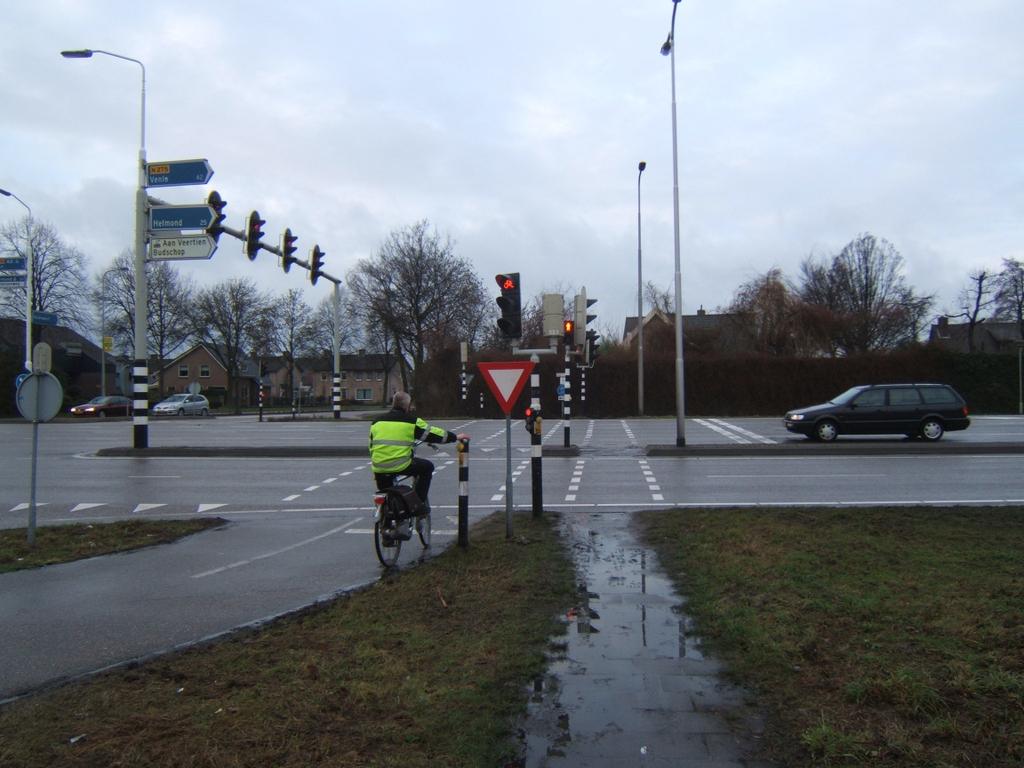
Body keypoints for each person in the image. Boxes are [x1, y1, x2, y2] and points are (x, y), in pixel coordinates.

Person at [369, 392, 467, 539]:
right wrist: (455, 437)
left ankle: (387, 523)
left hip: (378, 466)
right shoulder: (411, 422)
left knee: (386, 491)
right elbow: (434, 434)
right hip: (401, 464)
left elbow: (371, 445)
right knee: (427, 468)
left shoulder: (376, 422)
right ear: (407, 406)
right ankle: (419, 505)